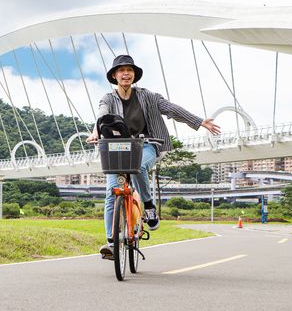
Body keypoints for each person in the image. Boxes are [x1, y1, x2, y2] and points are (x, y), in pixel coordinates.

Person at [87, 54, 221, 259]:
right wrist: (96, 132)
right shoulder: (107, 98)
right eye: (121, 70)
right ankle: (111, 244)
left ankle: (148, 206)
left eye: (129, 70)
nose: (126, 74)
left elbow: (172, 109)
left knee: (139, 167)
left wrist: (199, 121)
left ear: (134, 75)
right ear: (114, 76)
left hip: (146, 144)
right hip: (116, 147)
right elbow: (102, 116)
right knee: (111, 193)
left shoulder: (148, 96)